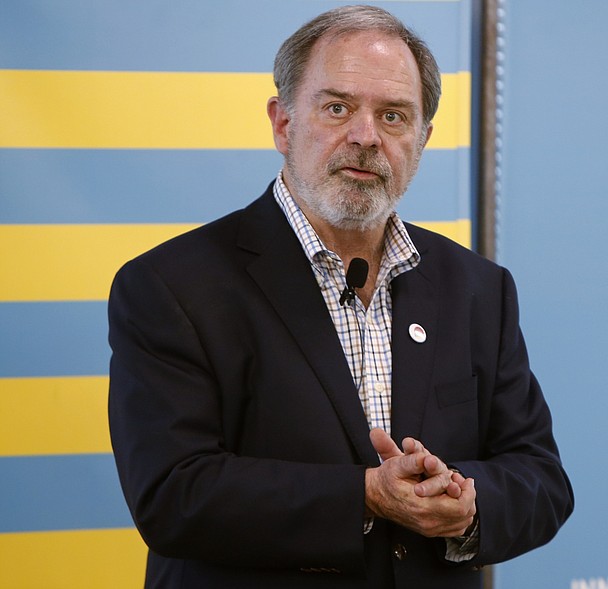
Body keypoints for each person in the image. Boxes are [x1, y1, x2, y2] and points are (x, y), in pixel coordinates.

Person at [108, 5, 573, 588]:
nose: (365, 136)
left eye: (394, 116)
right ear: (282, 124)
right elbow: (173, 494)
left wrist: (468, 503)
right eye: (337, 107)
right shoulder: (171, 286)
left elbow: (541, 480)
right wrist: (366, 496)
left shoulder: (479, 288)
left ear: (423, 140)